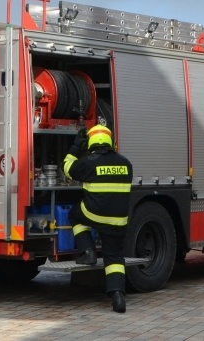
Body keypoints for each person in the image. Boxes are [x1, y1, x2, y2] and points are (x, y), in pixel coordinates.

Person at [63, 124, 133, 313]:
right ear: (111, 141)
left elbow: (67, 168)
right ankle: (118, 296)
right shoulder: (126, 163)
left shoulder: (88, 162)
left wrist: (76, 147)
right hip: (118, 220)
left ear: (91, 142)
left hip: (93, 214)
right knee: (114, 257)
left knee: (74, 215)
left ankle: (87, 252)